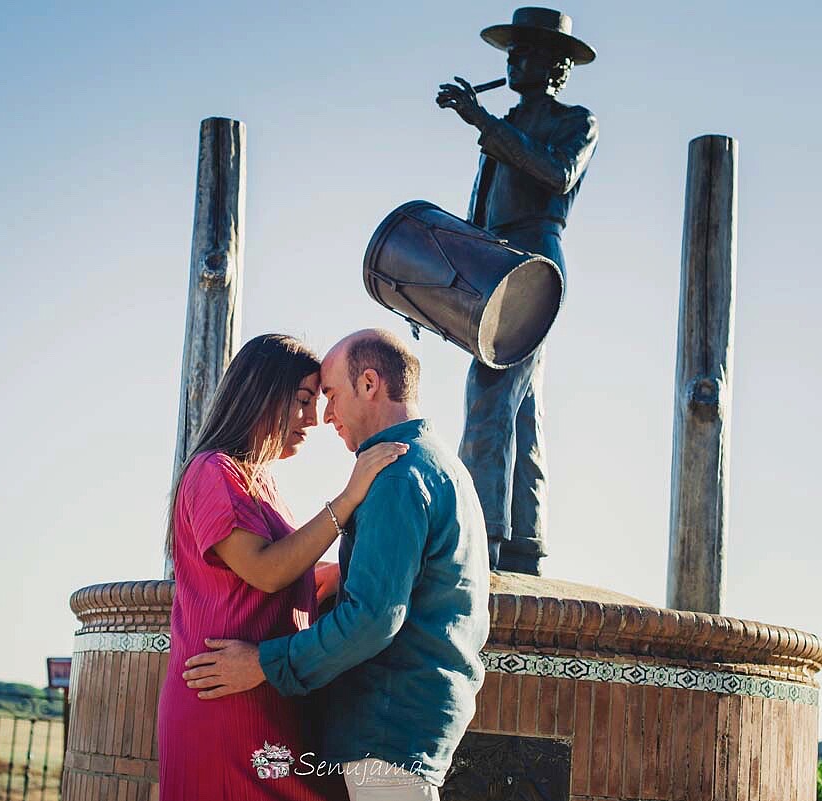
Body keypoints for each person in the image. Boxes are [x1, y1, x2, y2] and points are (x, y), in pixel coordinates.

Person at [182, 328, 491, 800]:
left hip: (386, 731)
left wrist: (264, 663)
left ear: (369, 384)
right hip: (390, 728)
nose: (323, 417)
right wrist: (340, 572)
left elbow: (372, 620)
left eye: (326, 395)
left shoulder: (395, 476)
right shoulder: (438, 464)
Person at [157, 333, 408, 801]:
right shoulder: (214, 470)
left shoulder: (260, 480)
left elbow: (263, 584)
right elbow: (265, 570)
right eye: (302, 401)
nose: (313, 419)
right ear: (260, 393)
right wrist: (350, 498)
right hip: (225, 704)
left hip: (261, 695)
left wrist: (327, 578)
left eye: (317, 401)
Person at [435, 7, 598, 574]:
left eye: (524, 52)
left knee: (489, 398)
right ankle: (524, 541)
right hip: (491, 262)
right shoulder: (496, 133)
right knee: (520, 407)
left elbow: (556, 173)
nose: (512, 61)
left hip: (532, 263)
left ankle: (477, 542)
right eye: (511, 52)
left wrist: (483, 122)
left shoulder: (575, 121)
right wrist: (440, 288)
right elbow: (478, 217)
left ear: (557, 67)